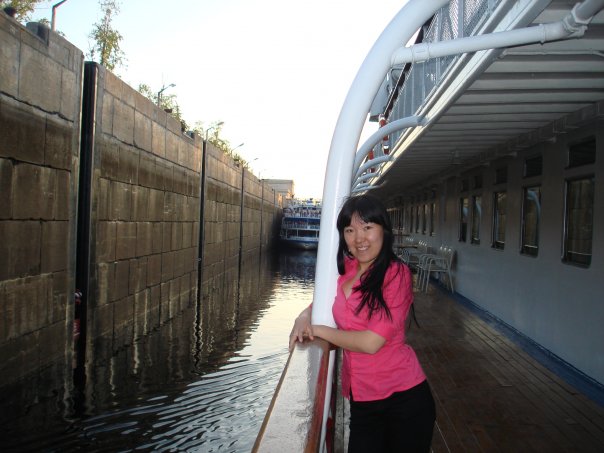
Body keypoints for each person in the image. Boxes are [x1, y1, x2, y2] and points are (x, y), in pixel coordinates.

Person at [289, 193, 435, 453]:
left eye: (367, 227)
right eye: (350, 230)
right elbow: (323, 301)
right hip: (362, 400)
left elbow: (371, 342)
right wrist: (303, 316)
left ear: (383, 230)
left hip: (403, 400)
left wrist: (318, 330)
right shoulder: (347, 268)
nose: (359, 238)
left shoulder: (396, 274)